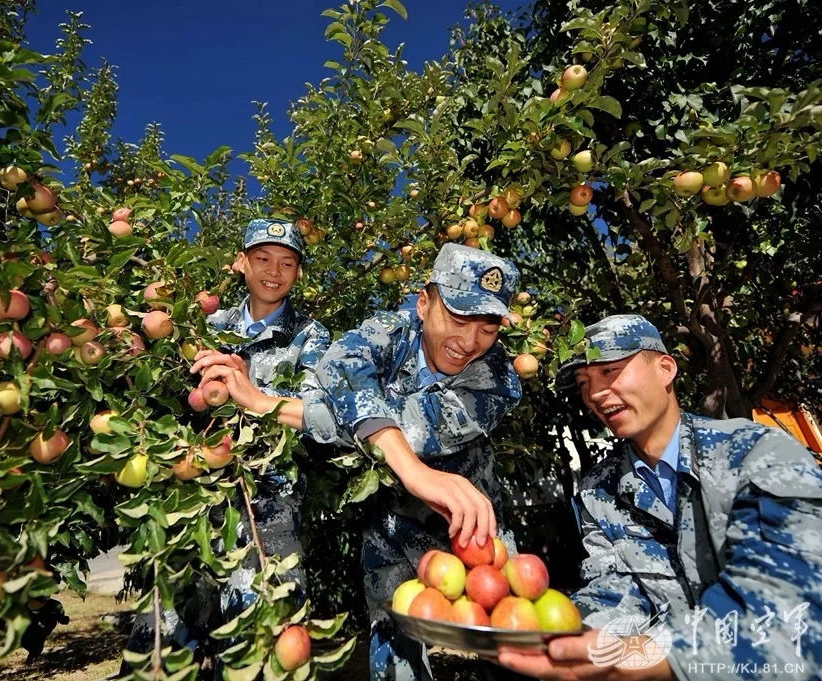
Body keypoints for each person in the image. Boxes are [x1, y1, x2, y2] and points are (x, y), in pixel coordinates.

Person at [196, 243, 524, 680]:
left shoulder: (498, 379)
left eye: (488, 328)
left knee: (510, 649)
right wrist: (409, 469)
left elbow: (409, 426)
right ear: (424, 303)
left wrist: (265, 403)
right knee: (394, 649)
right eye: (459, 318)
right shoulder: (388, 329)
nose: (469, 342)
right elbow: (339, 371)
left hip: (471, 527)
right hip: (390, 522)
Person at [496, 314, 822, 680]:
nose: (596, 394)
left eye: (611, 371)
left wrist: (661, 656)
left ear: (666, 369)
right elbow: (618, 589)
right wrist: (569, 637)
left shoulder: (757, 454)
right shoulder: (599, 489)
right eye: (585, 382)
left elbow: (783, 595)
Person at [118, 218, 330, 676]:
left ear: (297, 273)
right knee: (165, 634)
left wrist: (253, 393)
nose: (274, 271)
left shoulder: (311, 336)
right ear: (241, 263)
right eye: (262, 259)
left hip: (268, 508)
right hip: (194, 499)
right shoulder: (203, 325)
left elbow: (314, 414)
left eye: (287, 262)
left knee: (262, 637)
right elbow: (165, 405)